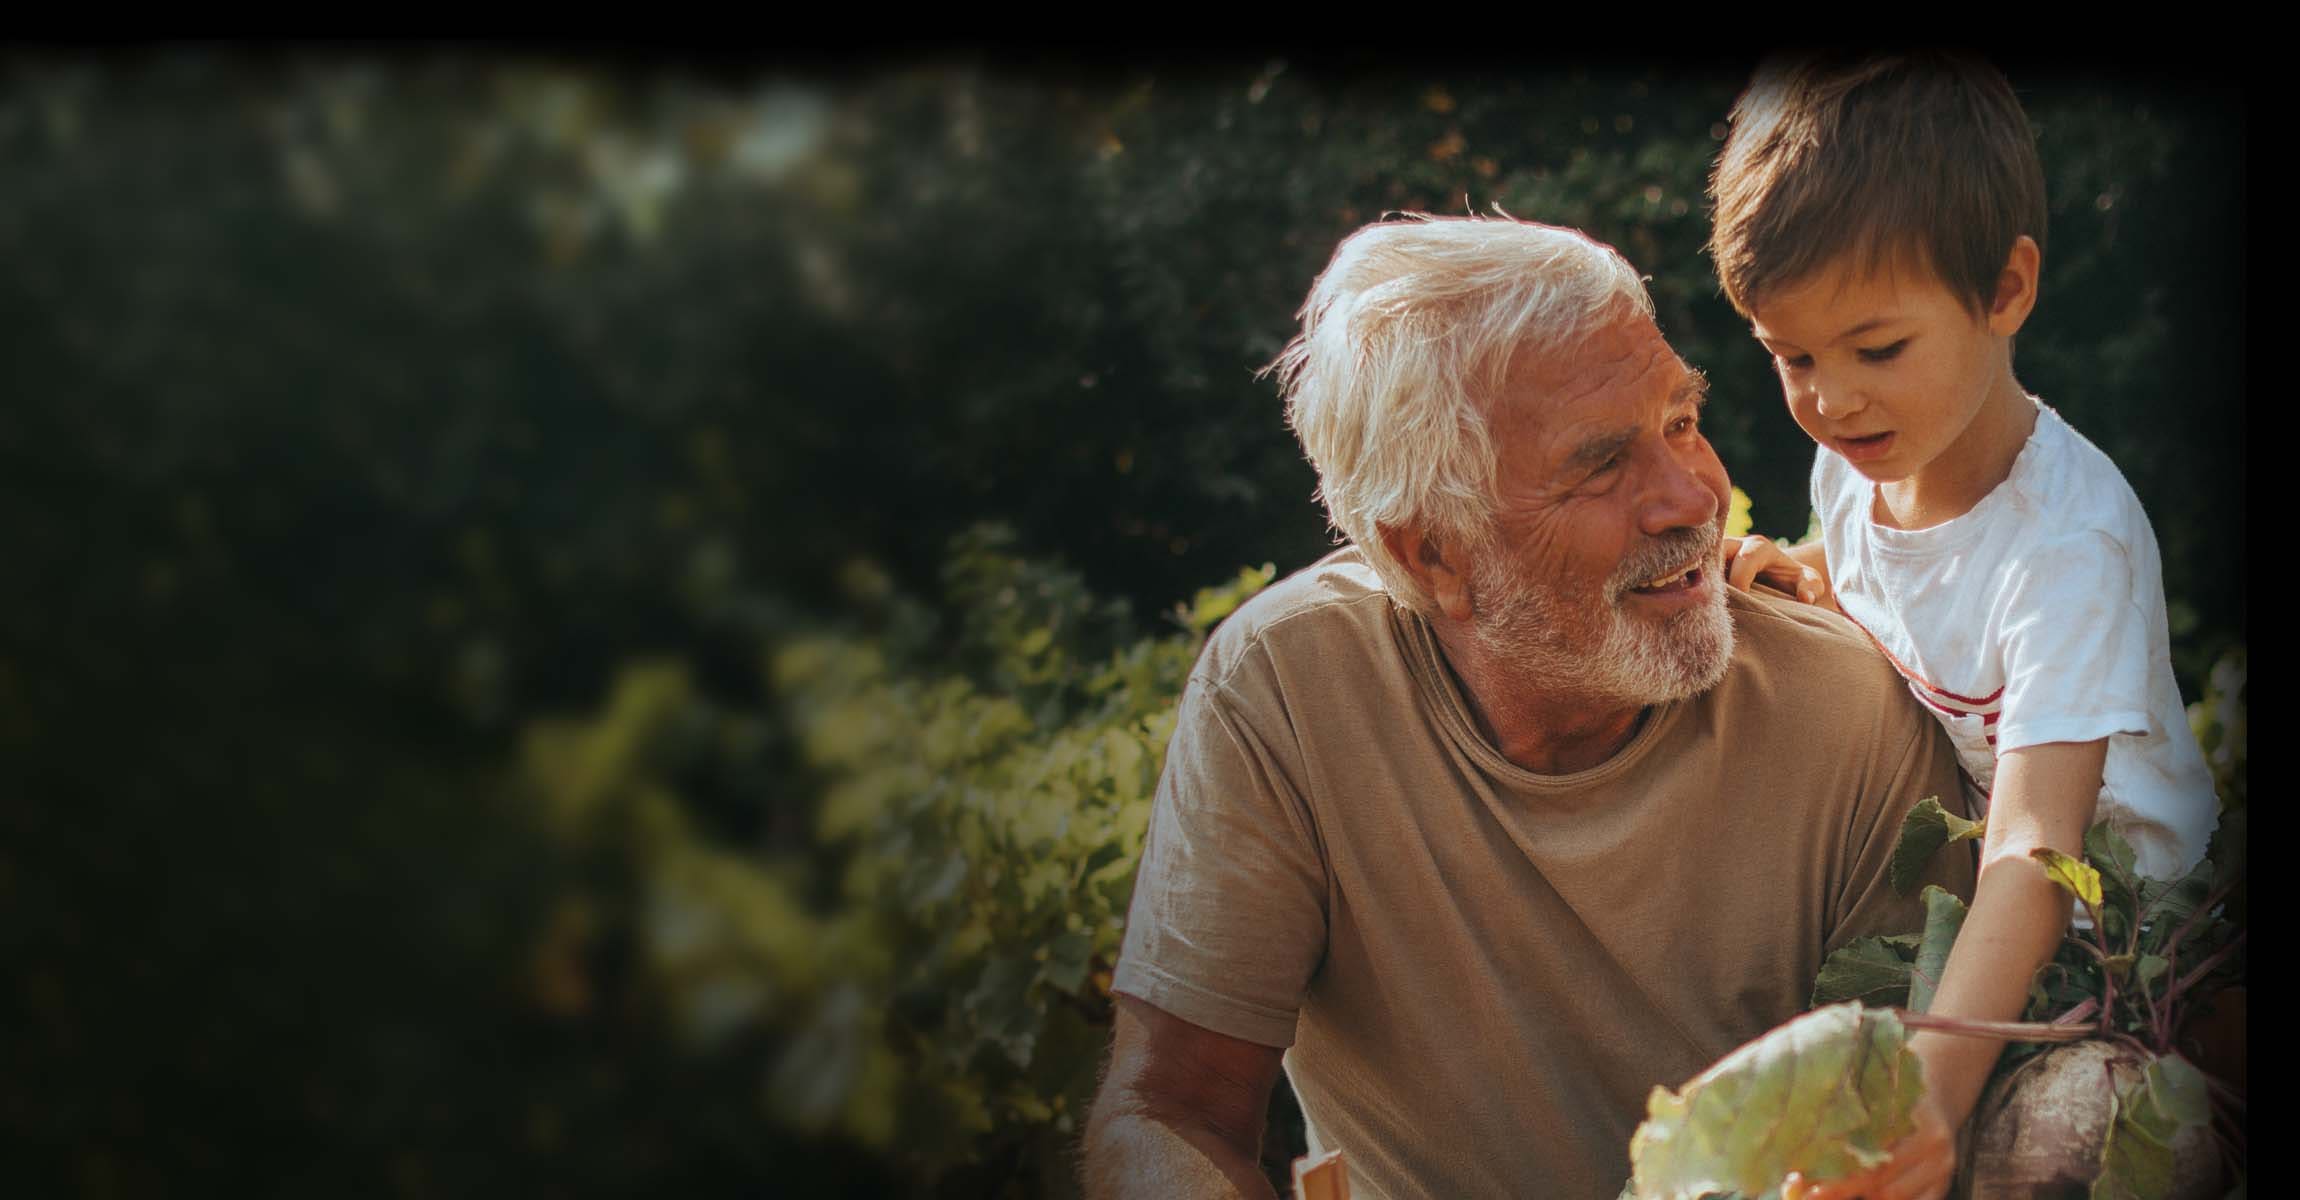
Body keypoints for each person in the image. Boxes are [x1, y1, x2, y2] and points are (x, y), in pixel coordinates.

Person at [1081, 214, 1975, 1200]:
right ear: (1431, 554)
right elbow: (1167, 1109)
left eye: (1680, 421)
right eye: (1600, 462)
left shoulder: (1844, 713)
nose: (1690, 496)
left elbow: (1903, 1133)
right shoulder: (1287, 689)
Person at [1709, 54, 2219, 1200]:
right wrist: (1804, 575)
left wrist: (1936, 1085)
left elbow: (2039, 846)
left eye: (1875, 350)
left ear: (2005, 291)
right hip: (1991, 926)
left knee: (2075, 1161)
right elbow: (1885, 576)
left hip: (2133, 945)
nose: (1831, 400)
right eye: (1792, 358)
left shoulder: (2063, 546)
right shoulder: (1862, 462)